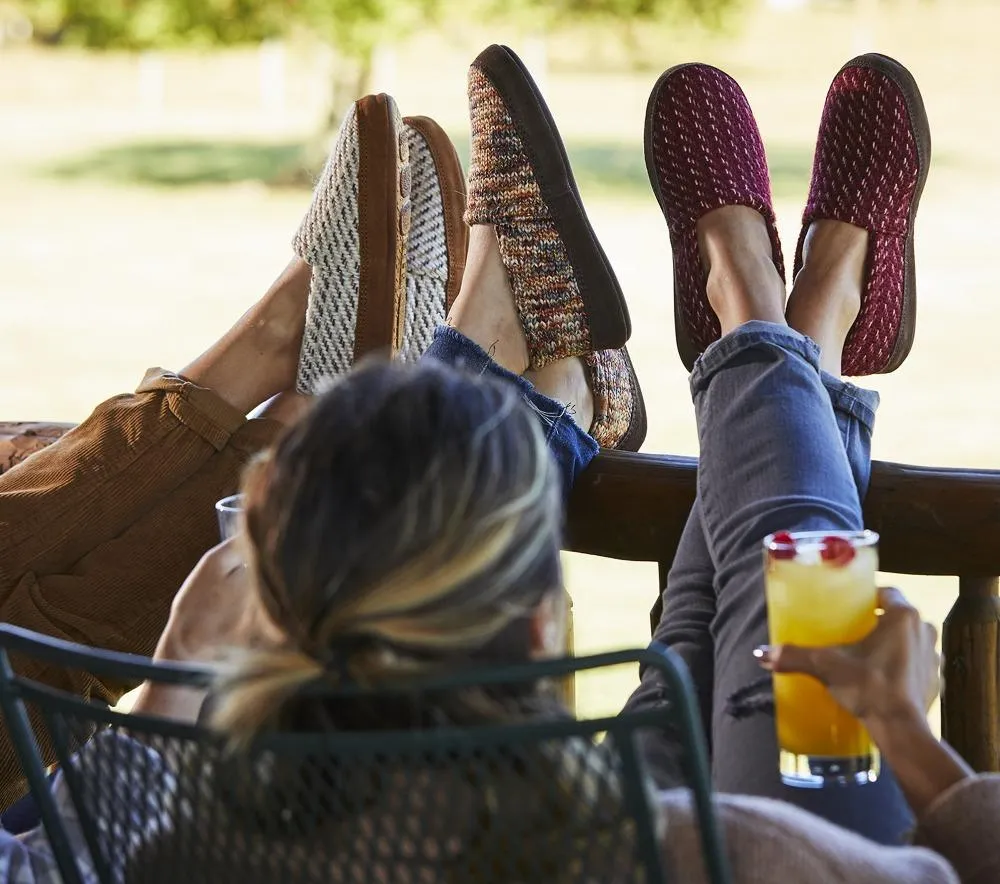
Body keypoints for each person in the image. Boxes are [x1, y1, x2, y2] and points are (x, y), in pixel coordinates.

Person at [0, 43, 997, 884]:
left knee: (689, 654)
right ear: (540, 635)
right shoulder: (746, 849)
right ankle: (787, 312)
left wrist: (176, 683)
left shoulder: (199, 849)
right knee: (779, 618)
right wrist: (906, 730)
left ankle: (762, 312)